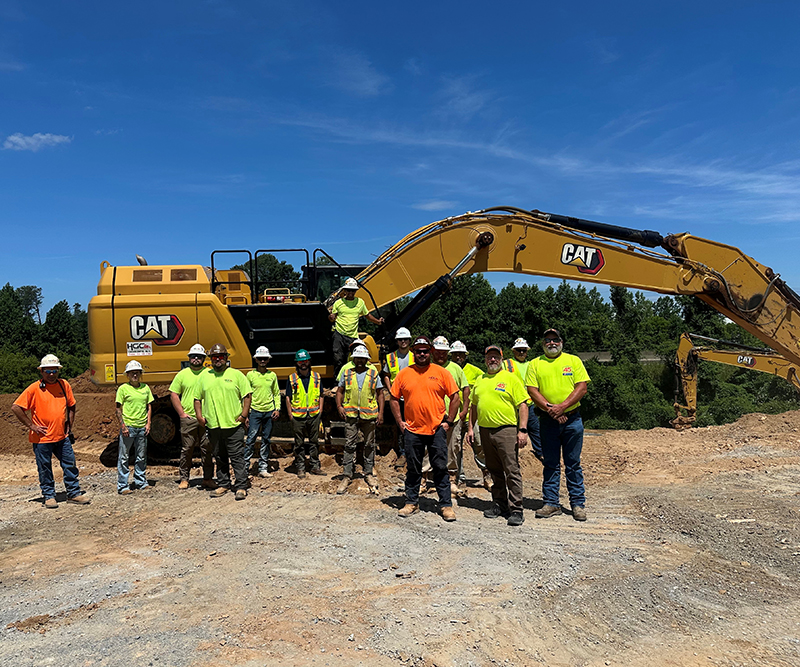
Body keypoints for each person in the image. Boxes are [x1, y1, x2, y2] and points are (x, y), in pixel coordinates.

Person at [389, 336, 460, 522]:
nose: (422, 354)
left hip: (436, 429)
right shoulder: (404, 374)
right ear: (413, 352)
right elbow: (393, 398)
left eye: (425, 351)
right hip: (412, 430)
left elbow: (455, 397)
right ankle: (411, 502)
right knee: (413, 468)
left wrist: (449, 421)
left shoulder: (441, 372)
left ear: (430, 352)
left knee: (439, 467)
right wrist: (400, 422)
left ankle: (445, 505)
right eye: (418, 351)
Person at [526, 328, 591, 521]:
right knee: (551, 463)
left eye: (555, 340)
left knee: (573, 464)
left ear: (561, 341)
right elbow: (532, 390)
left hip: (572, 420)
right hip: (548, 421)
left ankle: (578, 505)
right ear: (543, 343)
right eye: (548, 340)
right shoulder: (535, 364)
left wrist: (562, 407)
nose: (551, 343)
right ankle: (551, 503)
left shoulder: (573, 361)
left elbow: (582, 387)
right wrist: (551, 410)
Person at [11, 354, 89, 508]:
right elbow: (16, 407)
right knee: (45, 468)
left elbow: (71, 405)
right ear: (42, 371)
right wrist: (32, 426)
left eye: (54, 370)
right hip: (42, 439)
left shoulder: (64, 385)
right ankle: (49, 496)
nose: (51, 374)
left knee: (69, 464)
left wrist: (69, 424)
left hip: (62, 436)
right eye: (48, 371)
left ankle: (73, 493)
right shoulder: (34, 388)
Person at [467, 345, 529, 526]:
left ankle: (516, 509)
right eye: (489, 357)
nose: (492, 360)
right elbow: (473, 406)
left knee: (511, 469)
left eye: (495, 357)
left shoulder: (511, 379)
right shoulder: (480, 379)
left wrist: (523, 430)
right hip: (485, 430)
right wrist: (471, 428)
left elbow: (523, 405)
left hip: (506, 430)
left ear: (501, 359)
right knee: (494, 470)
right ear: (485, 360)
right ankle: (500, 504)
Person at [194, 343, 252, 500]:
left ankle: (241, 486)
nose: (218, 360)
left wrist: (243, 416)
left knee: (237, 457)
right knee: (219, 457)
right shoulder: (205, 376)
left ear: (226, 358)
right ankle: (224, 483)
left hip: (233, 426)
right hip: (214, 426)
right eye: (214, 357)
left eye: (220, 357)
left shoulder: (237, 375)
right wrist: (199, 416)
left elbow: (246, 396)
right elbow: (197, 399)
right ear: (210, 359)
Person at [336, 345, 384, 494]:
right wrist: (339, 406)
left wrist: (381, 413)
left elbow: (380, 393)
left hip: (369, 415)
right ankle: (347, 475)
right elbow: (340, 391)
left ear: (366, 360)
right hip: (350, 414)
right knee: (349, 445)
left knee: (369, 445)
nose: (360, 361)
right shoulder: (347, 373)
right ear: (354, 359)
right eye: (358, 358)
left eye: (363, 358)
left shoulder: (373, 373)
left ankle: (368, 473)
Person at [169, 344, 215, 490]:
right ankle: (184, 479)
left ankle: (207, 478)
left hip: (206, 418)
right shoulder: (182, 374)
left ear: (203, 358)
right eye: (193, 356)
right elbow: (174, 394)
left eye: (199, 356)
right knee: (187, 449)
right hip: (189, 418)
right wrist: (182, 413)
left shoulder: (209, 374)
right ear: (189, 358)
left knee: (207, 449)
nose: (196, 359)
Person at [447, 341, 491, 490]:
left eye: (461, 354)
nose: (458, 357)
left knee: (479, 443)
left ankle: (487, 475)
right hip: (456, 416)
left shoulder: (476, 372)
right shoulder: (447, 370)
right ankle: (459, 478)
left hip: (473, 415)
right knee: (455, 448)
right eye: (455, 354)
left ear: (465, 356)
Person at [431, 336, 470, 496]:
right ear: (433, 351)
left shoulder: (455, 368)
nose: (441, 355)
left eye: (444, 352)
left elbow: (466, 389)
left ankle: (452, 481)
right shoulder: (427, 367)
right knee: (429, 450)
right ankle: (425, 479)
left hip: (453, 418)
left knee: (452, 448)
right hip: (431, 417)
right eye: (438, 352)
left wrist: (464, 411)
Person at [286, 349, 326, 479]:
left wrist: (320, 410)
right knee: (299, 443)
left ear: (309, 361)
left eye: (305, 360)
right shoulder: (292, 378)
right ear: (297, 363)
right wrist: (290, 415)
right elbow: (288, 397)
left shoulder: (316, 377)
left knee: (314, 442)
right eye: (300, 361)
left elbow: (321, 394)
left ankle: (315, 466)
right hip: (298, 416)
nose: (303, 363)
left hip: (314, 414)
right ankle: (301, 467)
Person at [115, 360, 154, 495]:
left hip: (142, 426)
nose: (135, 375)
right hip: (129, 427)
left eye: (137, 372)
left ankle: (140, 481)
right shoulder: (123, 389)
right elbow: (118, 408)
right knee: (124, 457)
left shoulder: (145, 388)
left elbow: (149, 406)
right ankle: (122, 485)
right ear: (127, 375)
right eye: (132, 373)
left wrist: (148, 423)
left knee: (141, 456)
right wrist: (123, 426)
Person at [328, 277, 384, 371]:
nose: (351, 292)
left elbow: (367, 315)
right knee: (338, 359)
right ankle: (337, 382)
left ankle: (352, 379)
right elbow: (332, 318)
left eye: (353, 290)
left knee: (354, 360)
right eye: (349, 290)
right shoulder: (338, 303)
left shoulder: (360, 302)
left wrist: (378, 321)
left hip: (353, 336)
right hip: (339, 334)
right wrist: (331, 318)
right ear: (345, 291)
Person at [379, 327, 414, 469]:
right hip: (398, 398)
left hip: (413, 397)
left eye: (405, 339)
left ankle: (413, 452)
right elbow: (386, 375)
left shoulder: (415, 356)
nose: (403, 342)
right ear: (397, 341)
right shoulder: (391, 357)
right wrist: (391, 389)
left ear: (409, 340)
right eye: (400, 339)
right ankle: (403, 453)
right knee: (401, 426)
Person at [245, 346, 281, 478]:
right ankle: (245, 467)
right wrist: (246, 414)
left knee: (266, 439)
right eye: (260, 358)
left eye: (264, 358)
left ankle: (263, 468)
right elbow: (247, 395)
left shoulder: (272, 376)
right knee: (251, 439)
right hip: (255, 411)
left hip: (268, 412)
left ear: (268, 360)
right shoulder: (250, 375)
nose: (262, 361)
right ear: (256, 360)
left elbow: (276, 393)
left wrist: (277, 408)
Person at [504, 337, 542, 462]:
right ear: (514, 351)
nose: (521, 353)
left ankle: (541, 453)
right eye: (519, 350)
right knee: (510, 432)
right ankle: (510, 455)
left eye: (524, 350)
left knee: (535, 429)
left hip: (528, 403)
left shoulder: (532, 365)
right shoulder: (507, 364)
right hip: (511, 405)